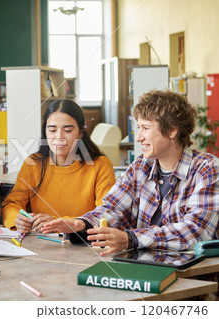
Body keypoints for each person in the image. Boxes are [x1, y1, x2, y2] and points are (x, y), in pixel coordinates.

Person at [42, 90, 219, 255]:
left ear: (172, 130)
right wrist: (82, 223)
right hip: (145, 267)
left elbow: (195, 231)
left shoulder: (207, 168)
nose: (139, 136)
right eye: (139, 127)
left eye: (146, 128)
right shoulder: (141, 165)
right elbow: (113, 208)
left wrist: (131, 239)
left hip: (191, 276)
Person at [2, 99, 116, 232]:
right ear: (45, 132)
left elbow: (106, 215)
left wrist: (59, 222)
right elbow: (11, 204)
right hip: (41, 244)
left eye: (67, 130)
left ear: (80, 132)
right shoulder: (33, 164)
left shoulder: (100, 165)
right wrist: (17, 218)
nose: (59, 137)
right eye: (52, 130)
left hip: (84, 245)